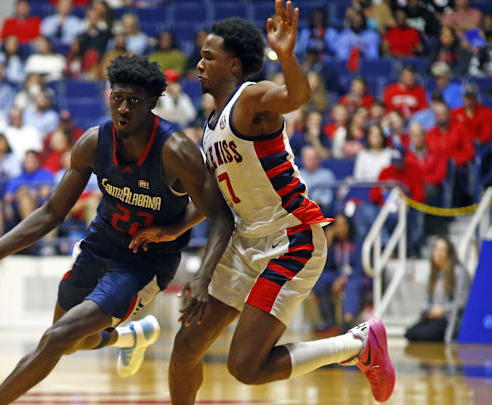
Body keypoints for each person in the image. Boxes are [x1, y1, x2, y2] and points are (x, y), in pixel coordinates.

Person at [129, 7, 394, 404]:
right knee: (187, 346)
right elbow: (216, 199)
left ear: (233, 65)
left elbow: (297, 96)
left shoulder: (251, 98)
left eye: (208, 57)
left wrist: (286, 57)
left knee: (246, 367)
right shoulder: (211, 125)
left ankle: (356, 345)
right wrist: (170, 230)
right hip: (245, 242)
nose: (198, 65)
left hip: (292, 241)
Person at [0, 54, 234, 405]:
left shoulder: (176, 151)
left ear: (152, 104)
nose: (123, 108)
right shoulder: (93, 142)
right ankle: (127, 338)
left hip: (143, 264)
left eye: (134, 102)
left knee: (56, 337)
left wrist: (196, 265)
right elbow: (50, 213)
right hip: (99, 246)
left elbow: (220, 214)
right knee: (72, 341)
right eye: (117, 98)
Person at [312, 214, 369, 333]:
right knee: (320, 280)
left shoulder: (358, 242)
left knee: (351, 286)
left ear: (349, 226)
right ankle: (329, 320)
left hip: (357, 276)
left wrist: (344, 279)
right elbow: (325, 266)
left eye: (343, 226)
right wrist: (327, 243)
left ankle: (347, 322)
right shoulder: (334, 244)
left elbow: (361, 268)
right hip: (338, 274)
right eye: (337, 226)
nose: (340, 229)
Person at [405, 237, 469, 341]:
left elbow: (462, 302)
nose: (438, 253)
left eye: (442, 250)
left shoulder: (459, 272)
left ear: (449, 253)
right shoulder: (434, 274)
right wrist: (428, 310)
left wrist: (442, 310)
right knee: (409, 333)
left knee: (425, 335)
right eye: (436, 249)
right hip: (433, 318)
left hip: (448, 319)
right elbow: (426, 300)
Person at [0, 150, 55, 237]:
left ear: (38, 161)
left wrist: (27, 193)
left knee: (25, 197)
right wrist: (20, 194)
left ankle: (30, 237)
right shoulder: (17, 178)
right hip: (16, 207)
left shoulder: (45, 174)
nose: (30, 163)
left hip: (39, 207)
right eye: (27, 161)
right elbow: (8, 197)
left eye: (32, 161)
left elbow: (45, 193)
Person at [300, 146, 335, 214]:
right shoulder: (297, 174)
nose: (311, 160)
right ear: (302, 160)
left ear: (318, 159)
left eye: (312, 158)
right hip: (301, 207)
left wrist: (318, 202)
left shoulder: (326, 174)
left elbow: (328, 195)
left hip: (320, 208)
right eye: (308, 158)